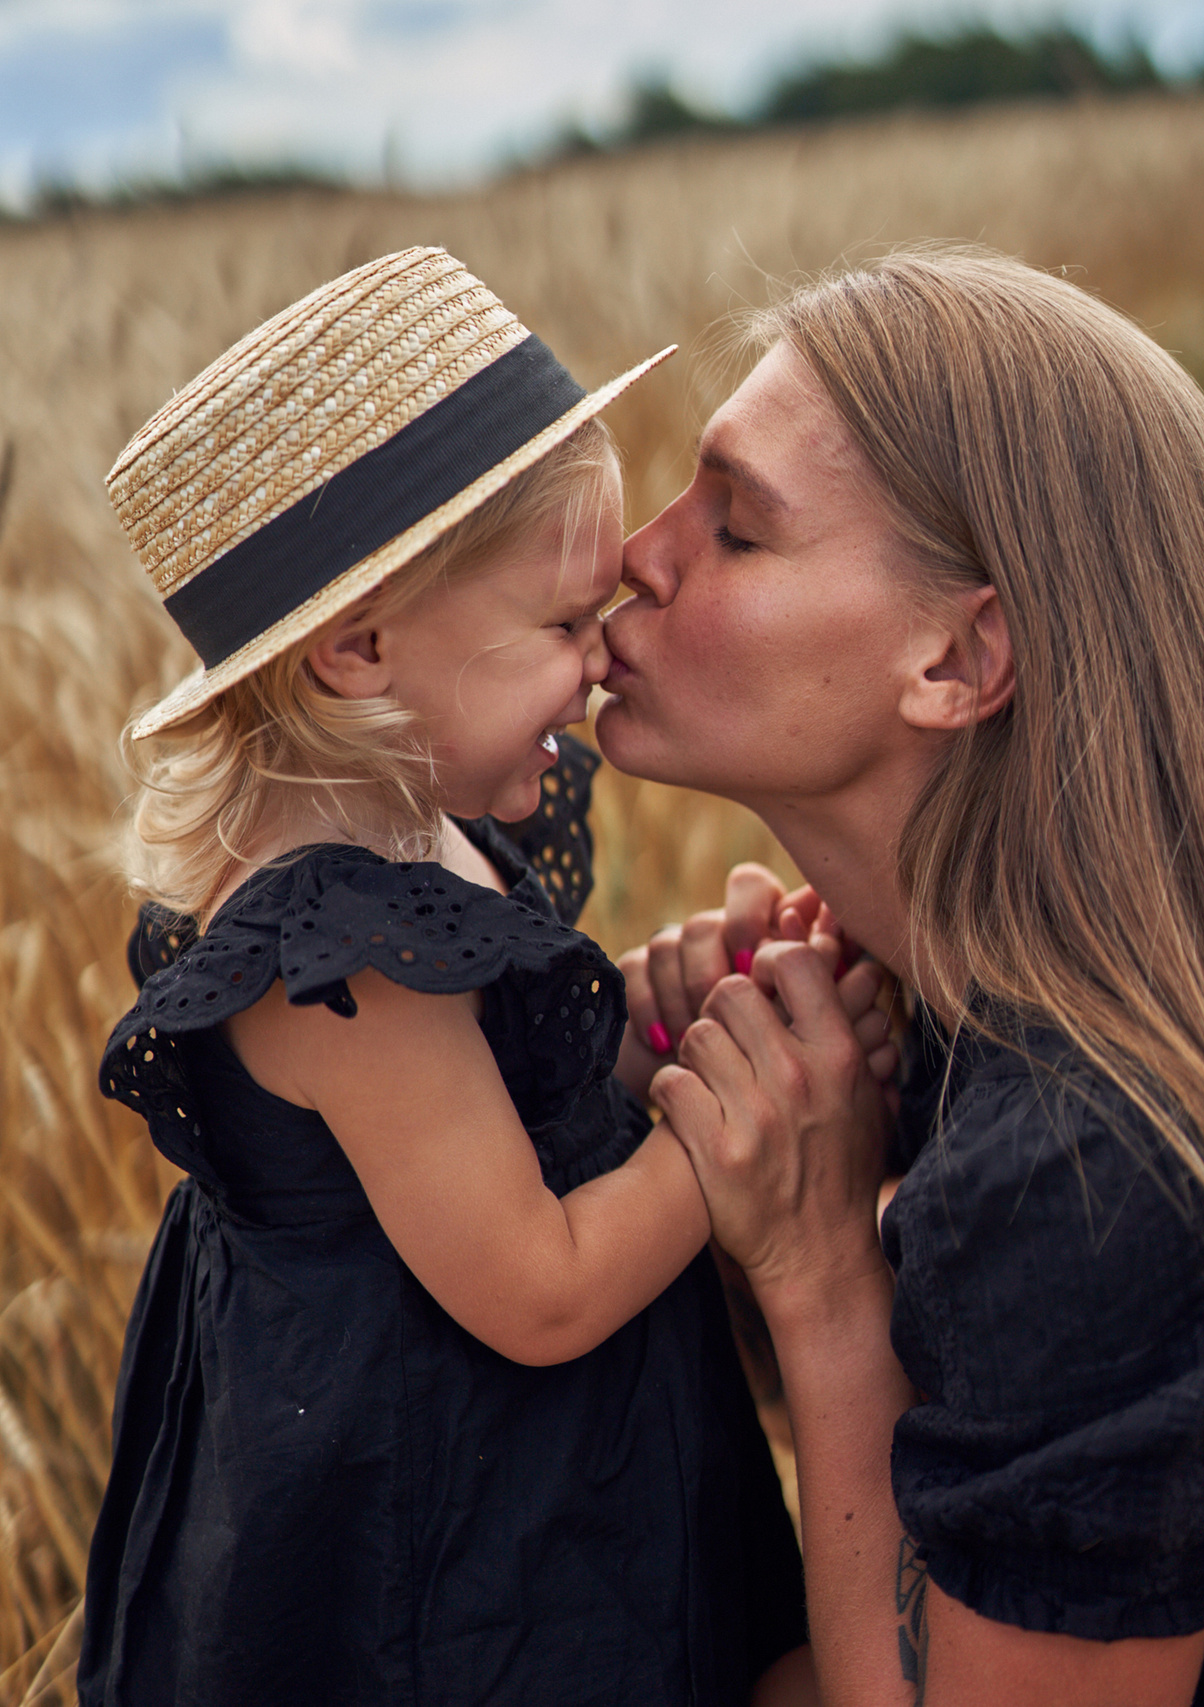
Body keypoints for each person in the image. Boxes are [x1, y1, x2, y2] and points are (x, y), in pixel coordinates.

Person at [82, 248, 805, 1704]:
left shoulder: (423, 825)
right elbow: (541, 1289)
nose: (602, 662)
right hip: (455, 1540)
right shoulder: (348, 975)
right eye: (559, 628)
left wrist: (662, 1029)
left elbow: (517, 1083)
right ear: (360, 650)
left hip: (498, 1469)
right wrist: (736, 1122)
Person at [594, 247, 1204, 1706]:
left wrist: (823, 1268)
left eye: (735, 526)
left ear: (960, 660)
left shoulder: (1085, 1165)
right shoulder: (976, 1023)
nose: (634, 555)